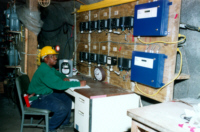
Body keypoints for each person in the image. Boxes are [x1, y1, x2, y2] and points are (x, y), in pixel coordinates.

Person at [27, 46, 86, 132]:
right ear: (46, 58)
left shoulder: (49, 68)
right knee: (62, 108)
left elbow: (58, 74)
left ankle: (64, 122)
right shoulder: (44, 71)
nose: (56, 58)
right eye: (52, 56)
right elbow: (59, 85)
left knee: (67, 97)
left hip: (44, 94)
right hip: (36, 99)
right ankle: (49, 128)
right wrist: (78, 83)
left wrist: (64, 77)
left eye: (55, 56)